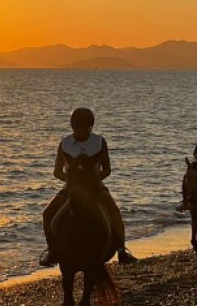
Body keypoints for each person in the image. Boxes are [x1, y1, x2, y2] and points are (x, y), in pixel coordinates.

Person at [39, 107, 136, 267]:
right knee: (47, 213)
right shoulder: (65, 143)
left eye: (83, 127)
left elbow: (106, 169)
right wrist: (70, 179)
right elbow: (57, 171)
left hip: (95, 187)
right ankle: (51, 251)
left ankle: (121, 250)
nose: (80, 130)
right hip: (71, 188)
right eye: (76, 127)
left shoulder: (99, 142)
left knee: (114, 212)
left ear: (90, 127)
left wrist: (92, 179)